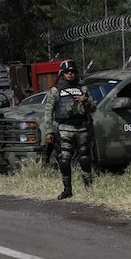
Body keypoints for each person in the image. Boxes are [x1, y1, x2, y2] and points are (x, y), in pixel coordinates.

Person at [44, 59, 95, 200]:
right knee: (64, 160)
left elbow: (93, 108)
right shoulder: (56, 91)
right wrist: (48, 131)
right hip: (64, 129)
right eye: (67, 72)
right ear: (62, 74)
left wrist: (85, 100)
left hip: (82, 129)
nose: (70, 74)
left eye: (72, 71)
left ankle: (89, 188)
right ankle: (67, 190)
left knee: (85, 159)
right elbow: (48, 111)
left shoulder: (83, 89)